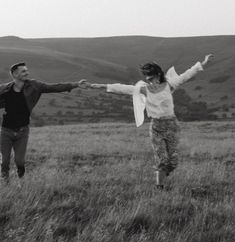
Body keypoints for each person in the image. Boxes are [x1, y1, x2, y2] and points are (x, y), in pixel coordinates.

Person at [83, 54, 213, 189]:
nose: (150, 81)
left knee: (173, 162)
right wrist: (93, 85)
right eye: (147, 78)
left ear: (158, 74)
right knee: (162, 160)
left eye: (152, 78)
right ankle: (159, 187)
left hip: (172, 125)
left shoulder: (170, 85)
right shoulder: (144, 89)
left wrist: (204, 63)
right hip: (156, 126)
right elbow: (120, 88)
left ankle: (162, 172)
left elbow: (188, 74)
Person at [0, 62, 84, 183]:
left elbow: (54, 87)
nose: (27, 73)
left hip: (23, 131)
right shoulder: (4, 89)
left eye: (26, 70)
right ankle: (5, 183)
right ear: (15, 74)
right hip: (6, 131)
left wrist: (76, 84)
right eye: (23, 71)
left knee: (20, 161)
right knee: (5, 160)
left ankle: (21, 181)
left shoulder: (35, 85)